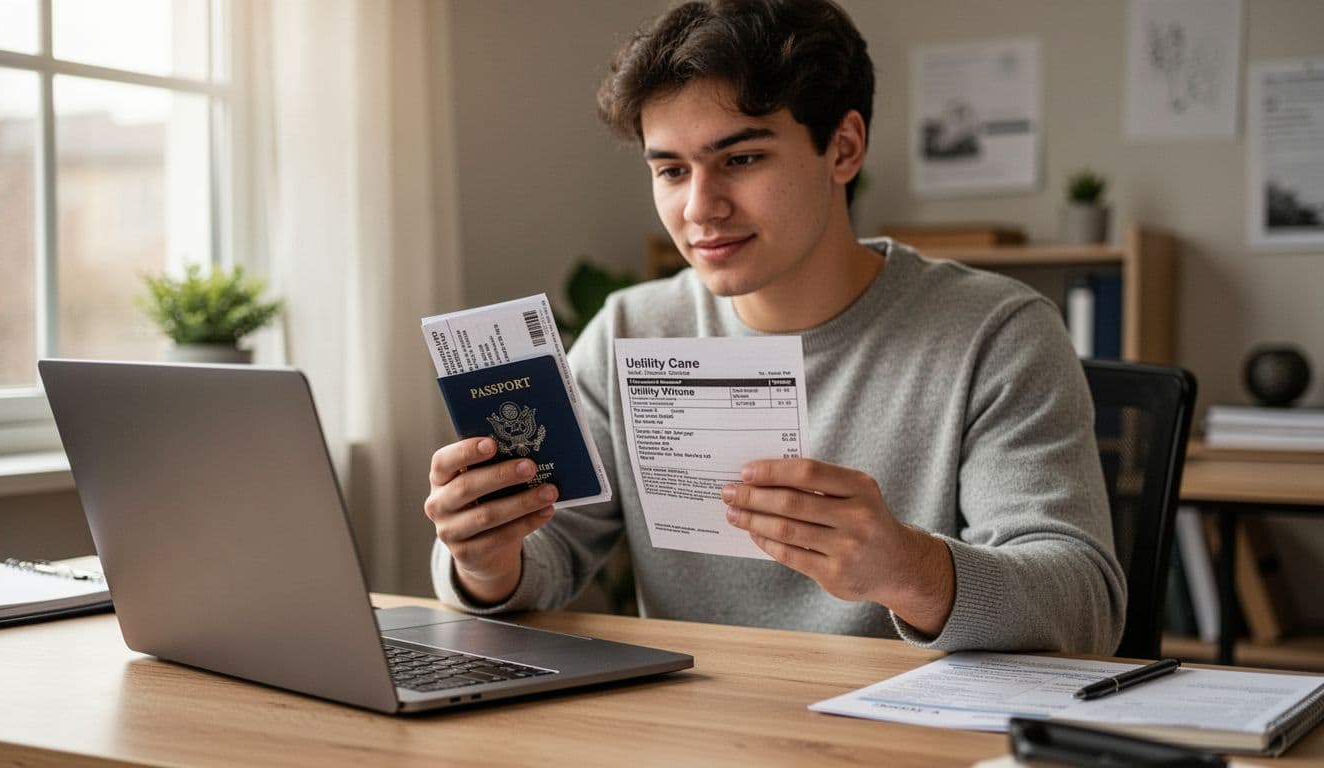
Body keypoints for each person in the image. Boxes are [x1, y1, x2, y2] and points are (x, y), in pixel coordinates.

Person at [425, 0, 1126, 653]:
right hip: (688, 735)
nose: (700, 208)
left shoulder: (997, 335)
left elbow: (1086, 606)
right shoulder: (632, 328)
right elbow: (541, 560)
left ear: (844, 148)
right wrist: (485, 558)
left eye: (741, 159)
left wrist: (909, 569)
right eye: (671, 170)